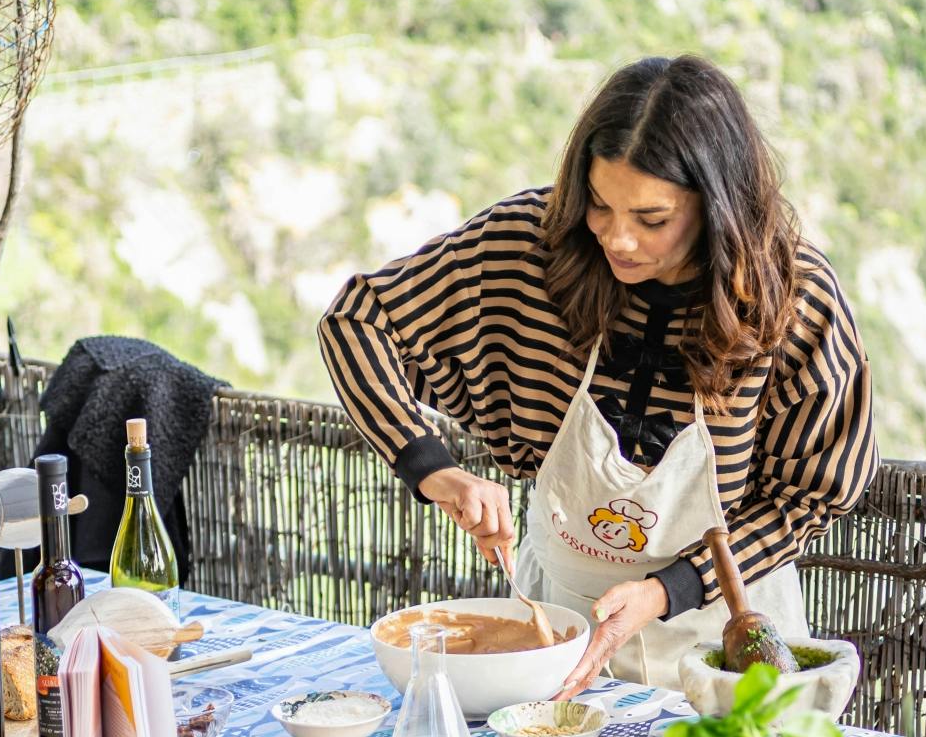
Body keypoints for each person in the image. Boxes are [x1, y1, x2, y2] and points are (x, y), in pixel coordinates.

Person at [318, 54, 876, 694]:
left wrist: (668, 590)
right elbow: (358, 319)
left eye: (652, 219)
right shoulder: (528, 246)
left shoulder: (792, 295)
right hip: (557, 622)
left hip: (727, 641)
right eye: (600, 206)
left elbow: (810, 494)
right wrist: (430, 466)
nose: (618, 241)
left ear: (717, 206)